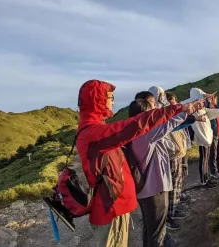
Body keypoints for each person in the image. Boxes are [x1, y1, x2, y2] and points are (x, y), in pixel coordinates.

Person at [76, 80, 193, 247]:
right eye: (110, 97)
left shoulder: (95, 128)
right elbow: (137, 124)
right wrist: (178, 108)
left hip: (113, 204)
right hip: (110, 206)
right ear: (97, 98)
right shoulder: (93, 132)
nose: (113, 101)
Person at [129, 96, 201, 247]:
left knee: (150, 230)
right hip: (154, 190)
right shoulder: (144, 134)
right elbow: (168, 125)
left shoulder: (137, 133)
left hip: (148, 190)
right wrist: (186, 110)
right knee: (157, 234)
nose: (154, 115)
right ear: (143, 115)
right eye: (151, 112)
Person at [180, 88, 219, 189]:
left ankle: (206, 179)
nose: (202, 102)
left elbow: (218, 111)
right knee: (204, 160)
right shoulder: (193, 112)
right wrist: (198, 98)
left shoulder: (204, 110)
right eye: (200, 100)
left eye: (202, 100)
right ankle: (204, 181)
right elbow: (181, 104)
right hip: (202, 140)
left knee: (206, 160)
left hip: (207, 139)